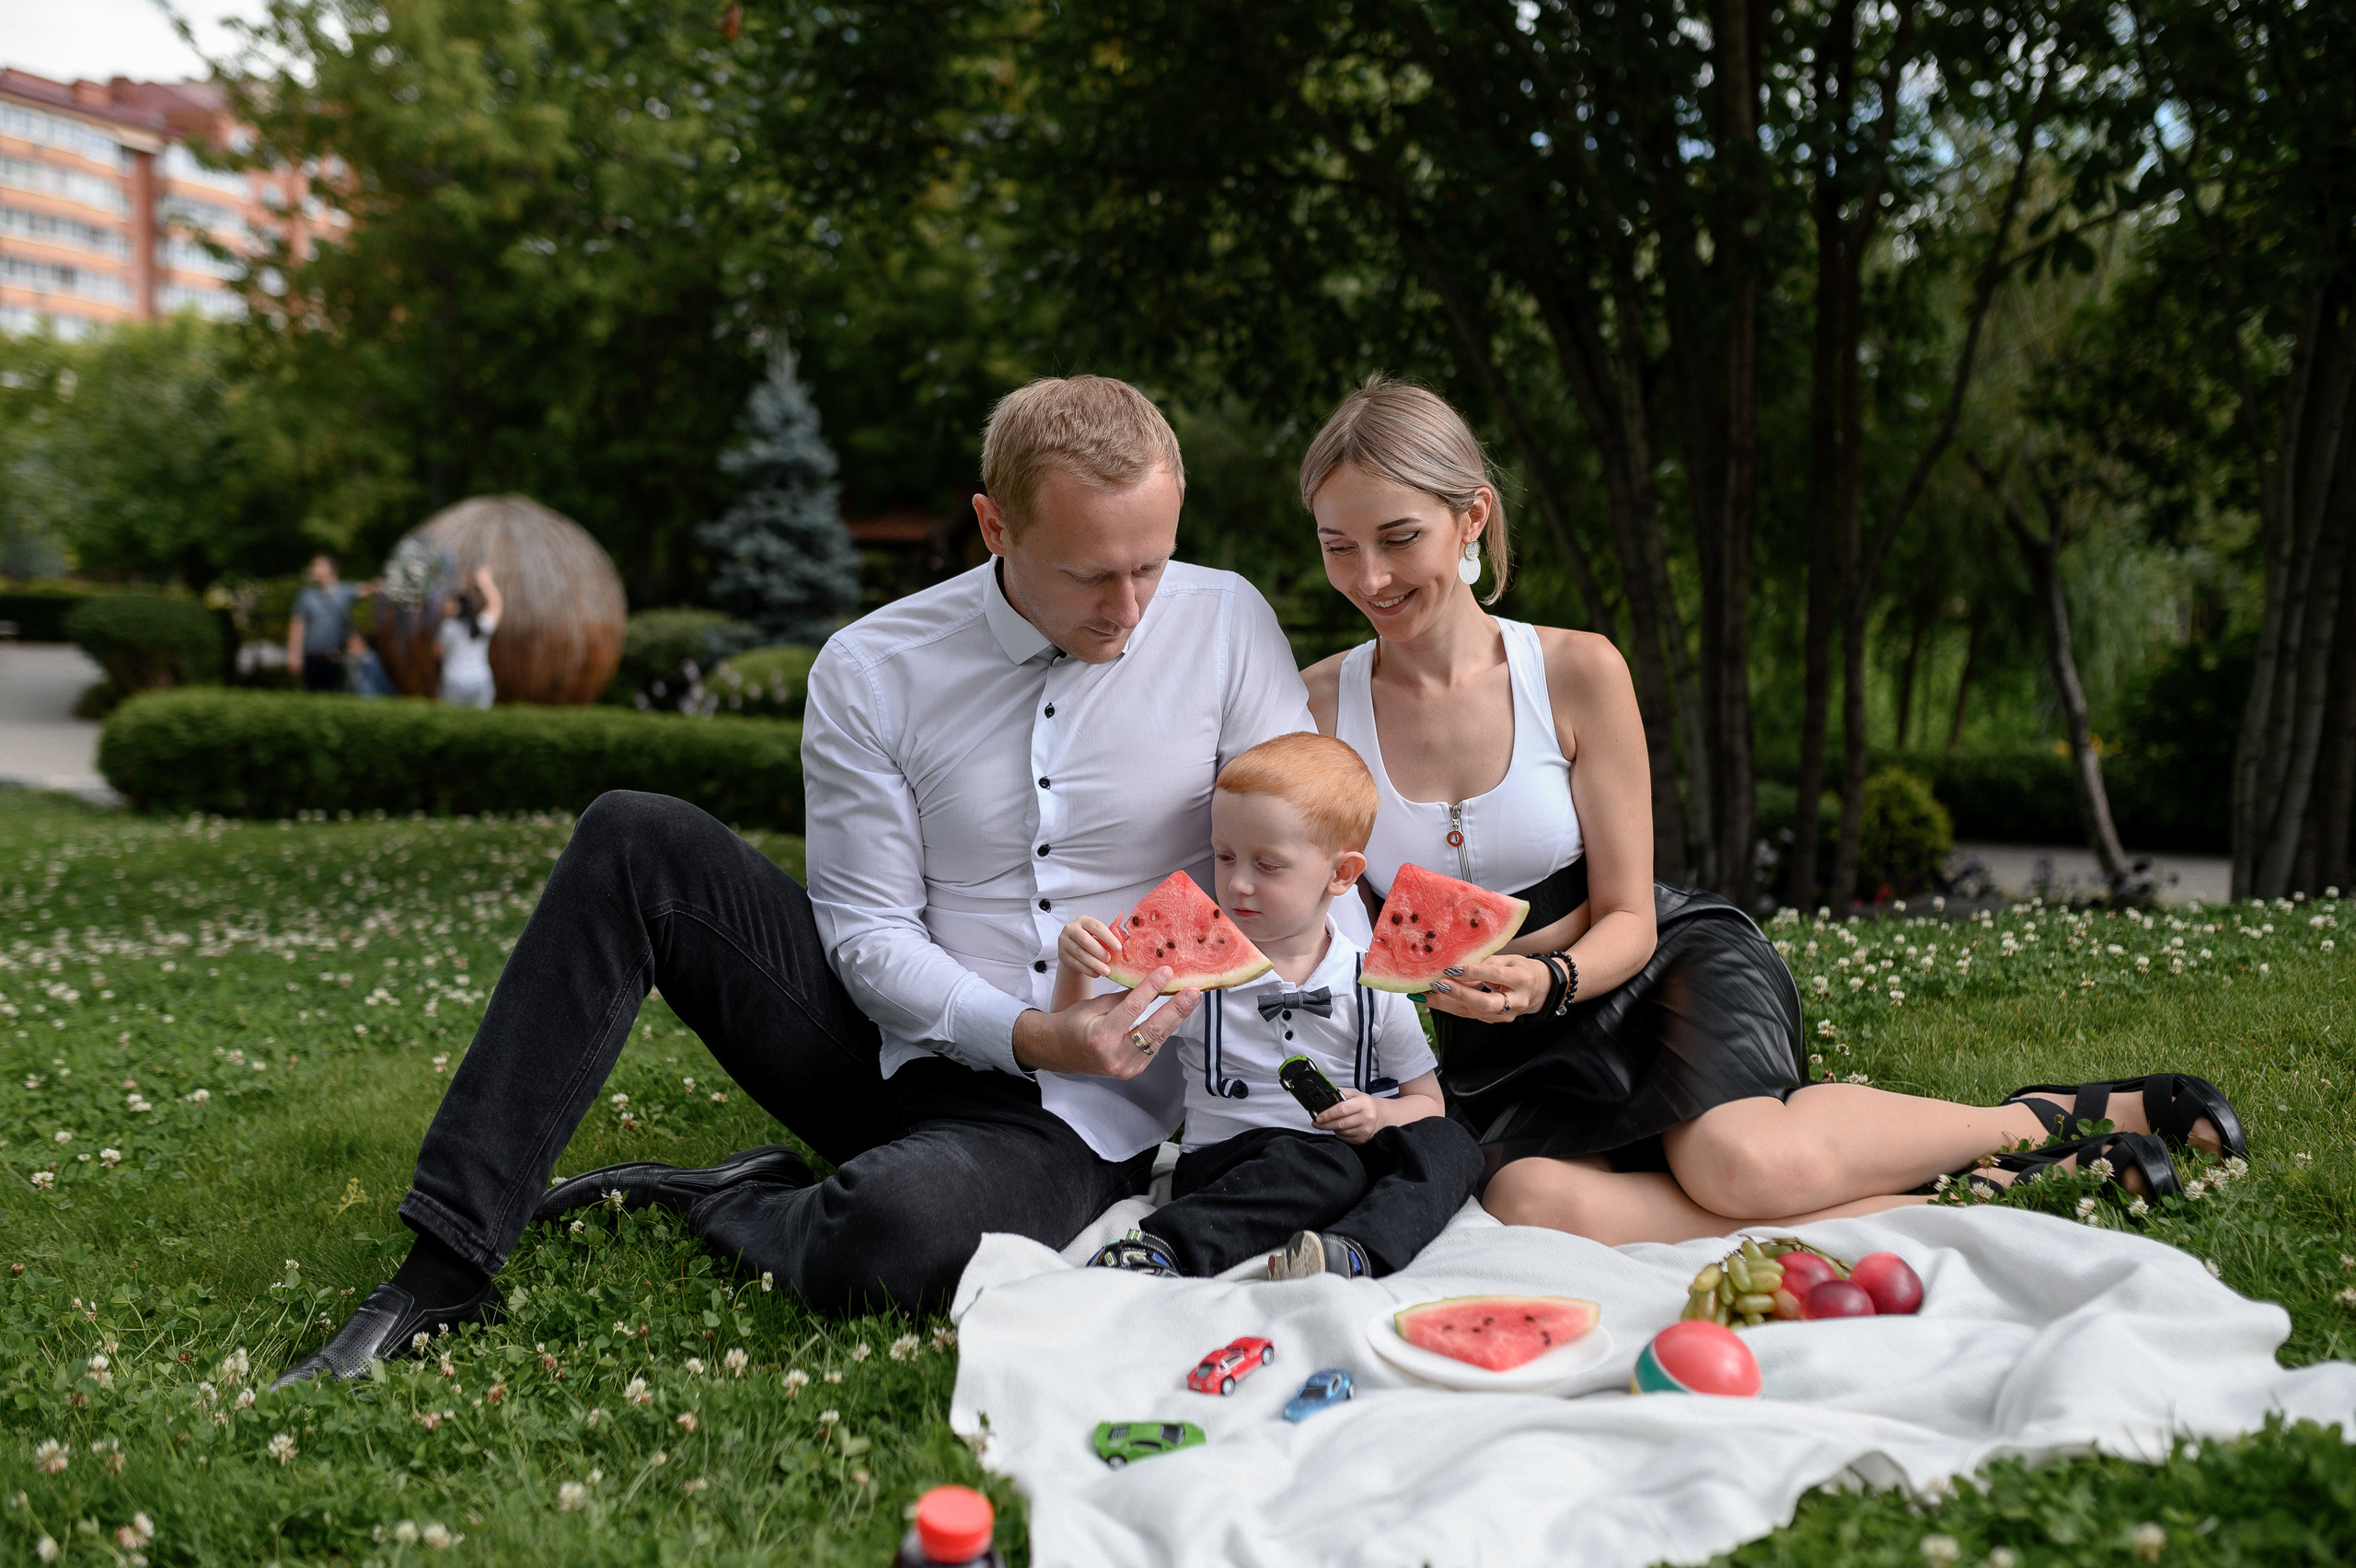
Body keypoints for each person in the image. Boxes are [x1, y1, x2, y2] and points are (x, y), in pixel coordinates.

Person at [274, 376, 1315, 1388]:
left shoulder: (1224, 626)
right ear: (995, 527)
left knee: (895, 1234)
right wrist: (1025, 1029)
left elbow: (1296, 855)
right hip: (882, 1045)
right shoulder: (873, 666)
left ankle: (728, 1199)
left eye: (1152, 565)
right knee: (634, 834)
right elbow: (863, 934)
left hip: (1080, 1108)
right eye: (1091, 574)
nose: (1129, 606)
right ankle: (447, 1264)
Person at [1297, 377, 2245, 1246]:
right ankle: (1981, 1189)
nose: (1369, 578)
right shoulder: (1317, 706)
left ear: (1471, 519)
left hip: (1649, 967)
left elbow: (1627, 914)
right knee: (1531, 1202)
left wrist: (1550, 979)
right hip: (1502, 1044)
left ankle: (2047, 1118)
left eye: (1397, 538)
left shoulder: (1576, 670)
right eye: (1338, 546)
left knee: (1739, 1164)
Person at [1057, 732, 1482, 1281]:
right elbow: (1088, 1038)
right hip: (1229, 1166)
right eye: (1225, 856)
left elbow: (1427, 1102)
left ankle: (1352, 1251)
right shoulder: (1193, 973)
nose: (1237, 883)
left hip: (1353, 1152)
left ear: (1342, 874)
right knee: (1323, 1169)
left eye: (1268, 865)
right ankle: (1164, 1246)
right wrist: (1076, 969)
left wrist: (1380, 1115)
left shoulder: (1370, 979)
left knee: (1454, 1144)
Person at [287, 554, 377, 693]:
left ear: (332, 570)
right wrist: (294, 655)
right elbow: (297, 626)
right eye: (313, 566)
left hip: (335, 658)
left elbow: (368, 588)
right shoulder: (306, 595)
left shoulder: (344, 591)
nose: (314, 569)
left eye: (319, 565)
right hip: (311, 657)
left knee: (333, 696)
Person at [435, 567, 502, 709]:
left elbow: (438, 653)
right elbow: (496, 604)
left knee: (452, 722)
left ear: (457, 607)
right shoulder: (481, 623)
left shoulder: (448, 627)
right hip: (480, 680)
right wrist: (485, 581)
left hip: (454, 682)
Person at [345, 631, 397, 698]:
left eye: (354, 643)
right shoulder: (350, 659)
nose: (351, 646)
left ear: (363, 643)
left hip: (374, 694)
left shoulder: (371, 659)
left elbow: (380, 680)